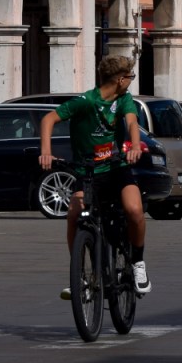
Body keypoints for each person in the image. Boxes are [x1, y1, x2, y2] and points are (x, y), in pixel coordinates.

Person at [39, 55, 151, 298]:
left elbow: (132, 122)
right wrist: (46, 153)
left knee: (134, 210)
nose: (131, 81)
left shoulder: (124, 99)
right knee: (73, 214)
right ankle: (80, 276)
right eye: (130, 77)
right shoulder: (85, 101)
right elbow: (49, 119)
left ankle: (138, 263)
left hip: (116, 167)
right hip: (87, 170)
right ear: (121, 79)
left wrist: (134, 145)